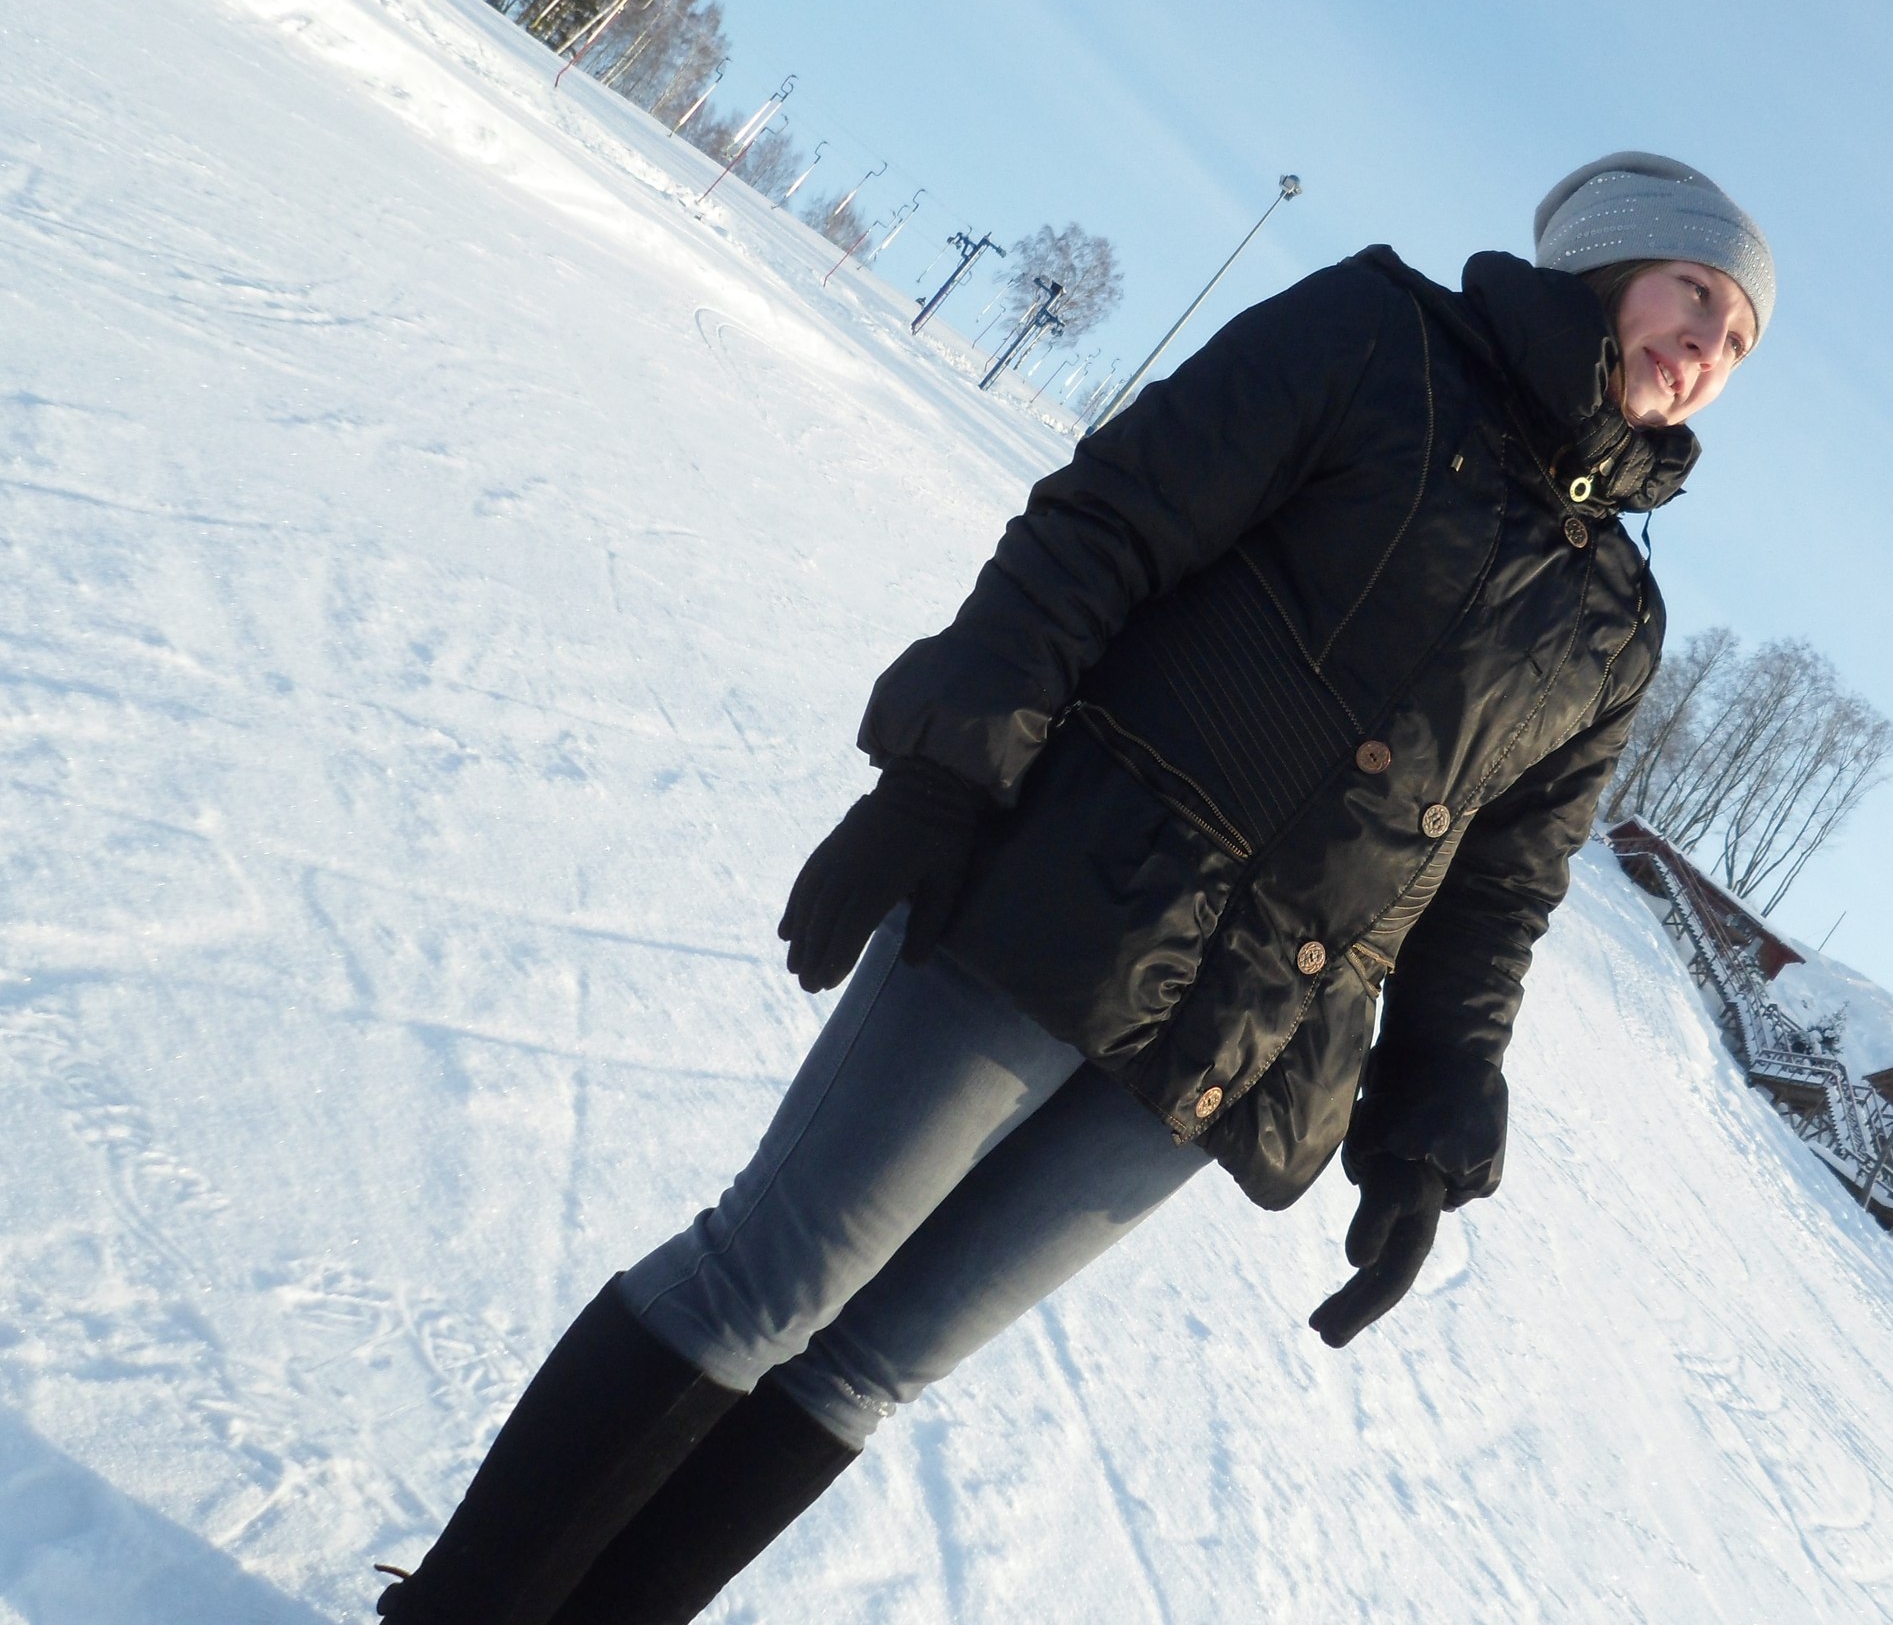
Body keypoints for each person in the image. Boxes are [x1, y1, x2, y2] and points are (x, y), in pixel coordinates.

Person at [377, 151, 1774, 1623]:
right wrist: (944, 771)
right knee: (767, 1282)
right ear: (1608, 263)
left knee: (868, 1372)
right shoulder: (1381, 341)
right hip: (1065, 901)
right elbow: (1108, 524)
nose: (1706, 347)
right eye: (1696, 293)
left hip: (1244, 1037)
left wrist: (1428, 1121)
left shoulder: (1618, 624)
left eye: (1737, 343)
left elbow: (1498, 893)